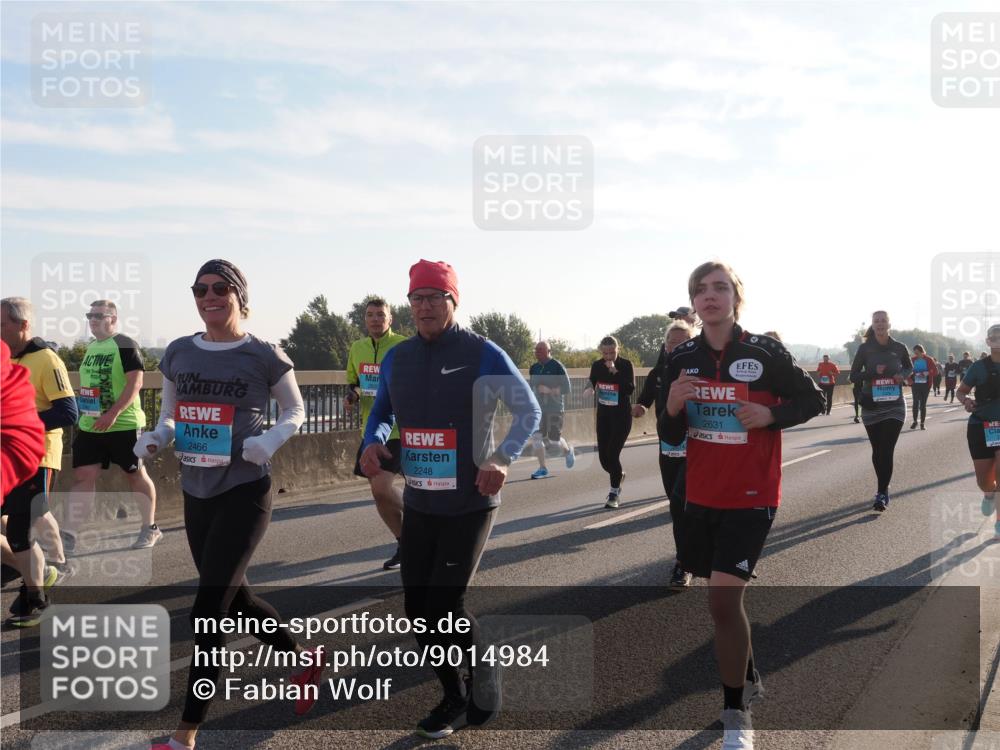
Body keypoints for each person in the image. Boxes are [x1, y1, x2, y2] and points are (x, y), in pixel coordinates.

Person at [140, 260, 320, 750]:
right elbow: (171, 416)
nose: (209, 296)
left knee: (207, 612)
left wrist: (273, 438)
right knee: (235, 599)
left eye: (220, 288)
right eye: (200, 289)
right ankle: (304, 658)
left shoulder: (263, 353)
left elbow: (297, 409)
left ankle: (186, 735)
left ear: (239, 295)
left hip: (245, 492)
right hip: (197, 492)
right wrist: (158, 436)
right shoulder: (178, 351)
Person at [360, 259, 540, 739]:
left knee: (447, 603)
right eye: (416, 299)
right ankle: (452, 692)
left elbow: (528, 410)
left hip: (470, 501)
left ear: (452, 302)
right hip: (421, 500)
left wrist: (501, 459)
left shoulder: (481, 352)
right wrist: (371, 443)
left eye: (434, 298)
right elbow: (381, 412)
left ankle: (483, 671)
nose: (424, 307)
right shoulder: (397, 358)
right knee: (416, 608)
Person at [658, 261, 823, 750]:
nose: (710, 296)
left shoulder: (764, 351)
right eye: (700, 290)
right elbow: (671, 436)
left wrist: (771, 414)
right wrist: (669, 407)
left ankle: (736, 713)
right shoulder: (681, 355)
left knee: (722, 602)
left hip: (752, 496)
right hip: (699, 493)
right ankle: (746, 675)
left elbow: (815, 400)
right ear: (693, 301)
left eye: (719, 288)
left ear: (735, 297)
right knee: (724, 604)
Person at [62, 300, 161, 552]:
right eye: (89, 315)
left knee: (134, 474)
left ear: (113, 319)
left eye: (99, 315)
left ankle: (150, 528)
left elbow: (135, 383)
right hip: (91, 424)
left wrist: (113, 413)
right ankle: (69, 535)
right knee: (83, 476)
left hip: (123, 424)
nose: (93, 319)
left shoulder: (125, 344)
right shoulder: (92, 346)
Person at [1, 297, 76, 626]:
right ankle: (37, 573)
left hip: (38, 455)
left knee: (20, 529)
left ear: (23, 325)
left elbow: (68, 412)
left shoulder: (47, 360)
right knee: (18, 530)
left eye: (1, 324)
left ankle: (37, 598)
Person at [345, 297, 407, 569]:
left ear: (390, 319)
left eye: (380, 315)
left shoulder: (404, 345)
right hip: (372, 429)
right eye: (370, 314)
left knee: (382, 487)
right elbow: (355, 382)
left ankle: (425, 521)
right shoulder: (357, 348)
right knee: (378, 492)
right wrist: (352, 396)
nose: (375, 319)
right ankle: (406, 543)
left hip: (400, 428)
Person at [634, 320, 696, 587]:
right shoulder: (658, 372)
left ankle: (685, 563)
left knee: (685, 504)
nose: (677, 347)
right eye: (672, 343)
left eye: (683, 342)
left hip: (698, 447)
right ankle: (690, 555)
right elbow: (645, 397)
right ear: (665, 346)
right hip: (668, 447)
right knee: (675, 502)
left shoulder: (702, 370)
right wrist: (639, 407)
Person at [850, 311, 912, 512]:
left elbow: (909, 368)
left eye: (883, 320)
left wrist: (901, 375)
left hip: (894, 404)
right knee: (878, 450)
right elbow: (853, 376)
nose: (880, 324)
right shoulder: (865, 348)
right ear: (873, 325)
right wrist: (872, 373)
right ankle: (883, 487)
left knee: (887, 449)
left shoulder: (899, 347)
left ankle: (882, 492)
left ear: (889, 324)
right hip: (872, 404)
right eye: (876, 321)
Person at [956, 324, 1000, 539]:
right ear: (988, 341)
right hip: (981, 424)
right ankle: (988, 493)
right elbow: (961, 391)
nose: (998, 339)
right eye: (994, 336)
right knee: (984, 480)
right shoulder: (978, 367)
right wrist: (966, 401)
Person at [583, 336, 635, 509]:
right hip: (604, 416)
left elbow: (629, 389)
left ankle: (614, 493)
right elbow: (592, 380)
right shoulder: (597, 365)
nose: (608, 357)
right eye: (605, 353)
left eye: (612, 352)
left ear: (617, 349)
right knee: (604, 459)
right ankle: (618, 474)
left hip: (621, 417)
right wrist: (589, 388)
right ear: (601, 351)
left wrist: (614, 372)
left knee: (613, 454)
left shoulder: (626, 365)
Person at [528, 341, 575, 479]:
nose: (537, 352)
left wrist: (550, 390)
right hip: (538, 409)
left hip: (555, 408)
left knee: (554, 440)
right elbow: (532, 387)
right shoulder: (534, 368)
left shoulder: (557, 366)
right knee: (536, 437)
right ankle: (543, 468)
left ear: (549, 351)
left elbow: (567, 389)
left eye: (541, 349)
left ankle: (567, 452)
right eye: (536, 350)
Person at [908, 344, 936, 431]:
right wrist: (910, 381)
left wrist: (928, 373)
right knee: (915, 403)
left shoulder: (929, 359)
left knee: (923, 405)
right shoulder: (912, 360)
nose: (916, 354)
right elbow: (907, 371)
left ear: (922, 351)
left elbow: (935, 371)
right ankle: (915, 421)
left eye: (917, 352)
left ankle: (922, 424)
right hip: (915, 384)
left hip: (925, 385)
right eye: (915, 353)